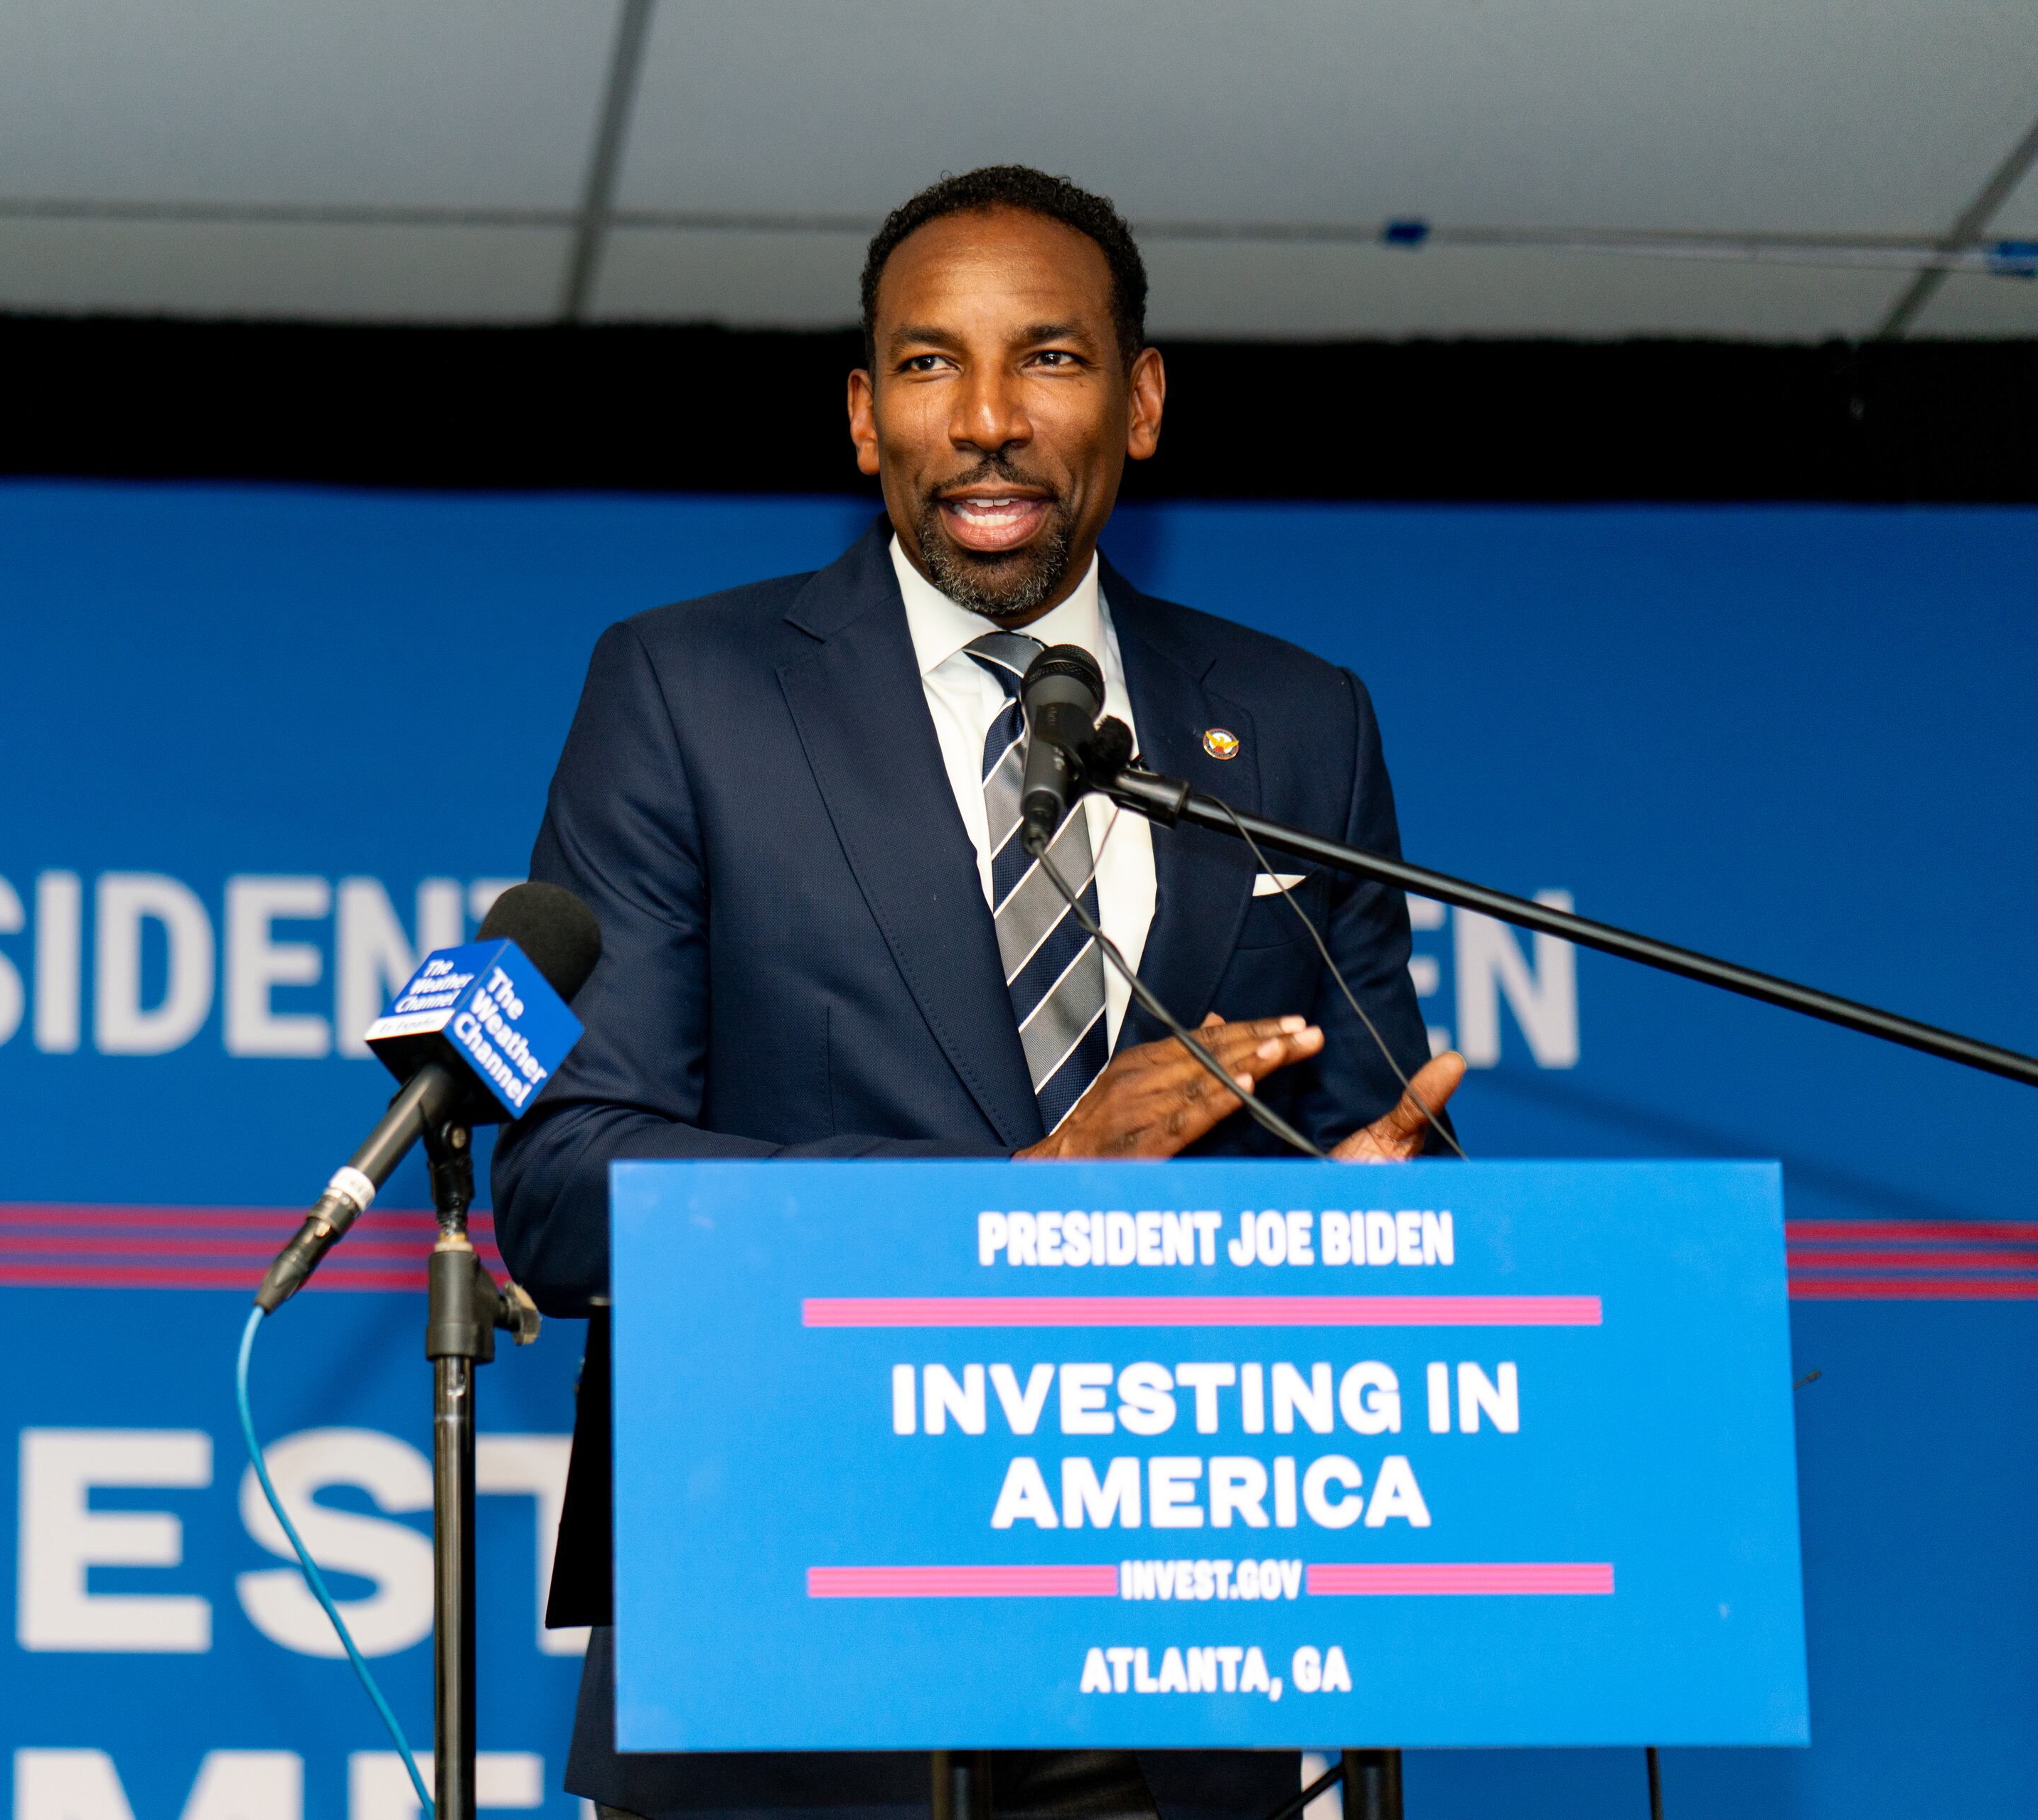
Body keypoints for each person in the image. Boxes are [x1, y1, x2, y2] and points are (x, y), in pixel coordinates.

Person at [493, 164, 1464, 1820]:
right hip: (794, 1642)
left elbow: (1380, 1128)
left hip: (1190, 1653)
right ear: (864, 419)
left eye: (1053, 360)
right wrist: (1018, 1198)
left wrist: (1377, 1224)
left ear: (1142, 402)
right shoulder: (686, 692)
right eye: (932, 365)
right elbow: (566, 1185)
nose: (991, 418)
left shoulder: (1300, 723)